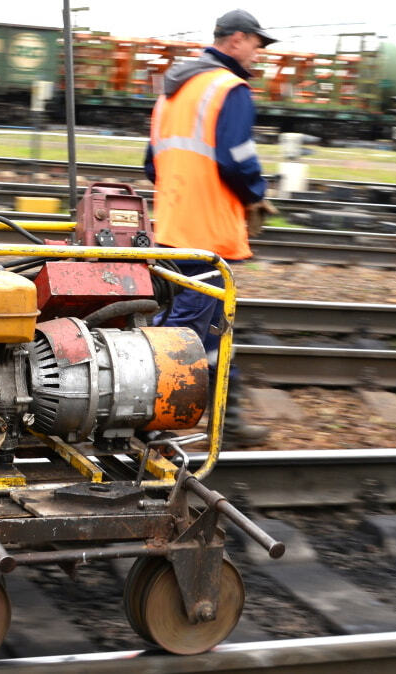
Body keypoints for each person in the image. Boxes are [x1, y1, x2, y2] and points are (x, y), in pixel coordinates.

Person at [143, 9, 277, 448]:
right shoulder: (229, 89)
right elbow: (236, 159)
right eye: (257, 43)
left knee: (212, 331)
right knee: (185, 337)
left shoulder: (171, 92)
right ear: (236, 40)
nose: (259, 53)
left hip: (171, 230)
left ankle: (227, 419)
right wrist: (256, 193)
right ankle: (149, 425)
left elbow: (152, 165)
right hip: (207, 234)